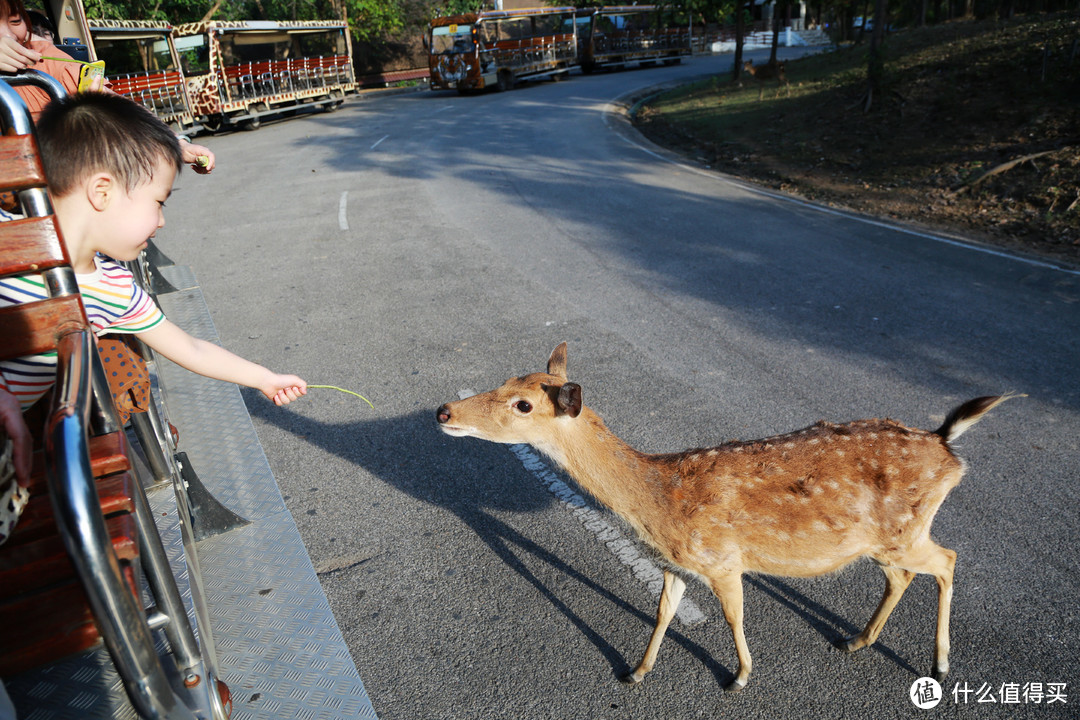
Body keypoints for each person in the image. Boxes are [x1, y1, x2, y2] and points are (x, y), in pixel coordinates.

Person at [0, 92, 307, 465]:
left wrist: (264, 379)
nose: (161, 221)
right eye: (158, 203)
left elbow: (190, 348)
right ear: (102, 192)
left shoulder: (115, 289)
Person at [0, 0, 215, 174]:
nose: (8, 35)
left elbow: (112, 101)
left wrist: (175, 142)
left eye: (15, 21)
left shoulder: (44, 57)